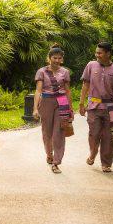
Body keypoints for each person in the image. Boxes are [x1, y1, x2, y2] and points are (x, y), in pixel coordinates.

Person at [78, 41, 113, 172]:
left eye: (100, 53)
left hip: (111, 107)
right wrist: (81, 103)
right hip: (93, 106)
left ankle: (106, 164)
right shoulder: (91, 65)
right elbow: (85, 85)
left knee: (109, 137)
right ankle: (93, 152)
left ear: (108, 54)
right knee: (94, 133)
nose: (97, 55)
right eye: (96, 52)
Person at [32, 45, 72, 173]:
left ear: (62, 59)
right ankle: (49, 154)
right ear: (49, 58)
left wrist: (71, 109)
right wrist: (35, 109)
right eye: (55, 58)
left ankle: (56, 162)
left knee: (59, 132)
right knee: (47, 132)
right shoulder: (42, 71)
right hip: (46, 101)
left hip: (62, 102)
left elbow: (67, 91)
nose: (57, 60)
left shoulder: (65, 72)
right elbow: (38, 91)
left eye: (60, 58)